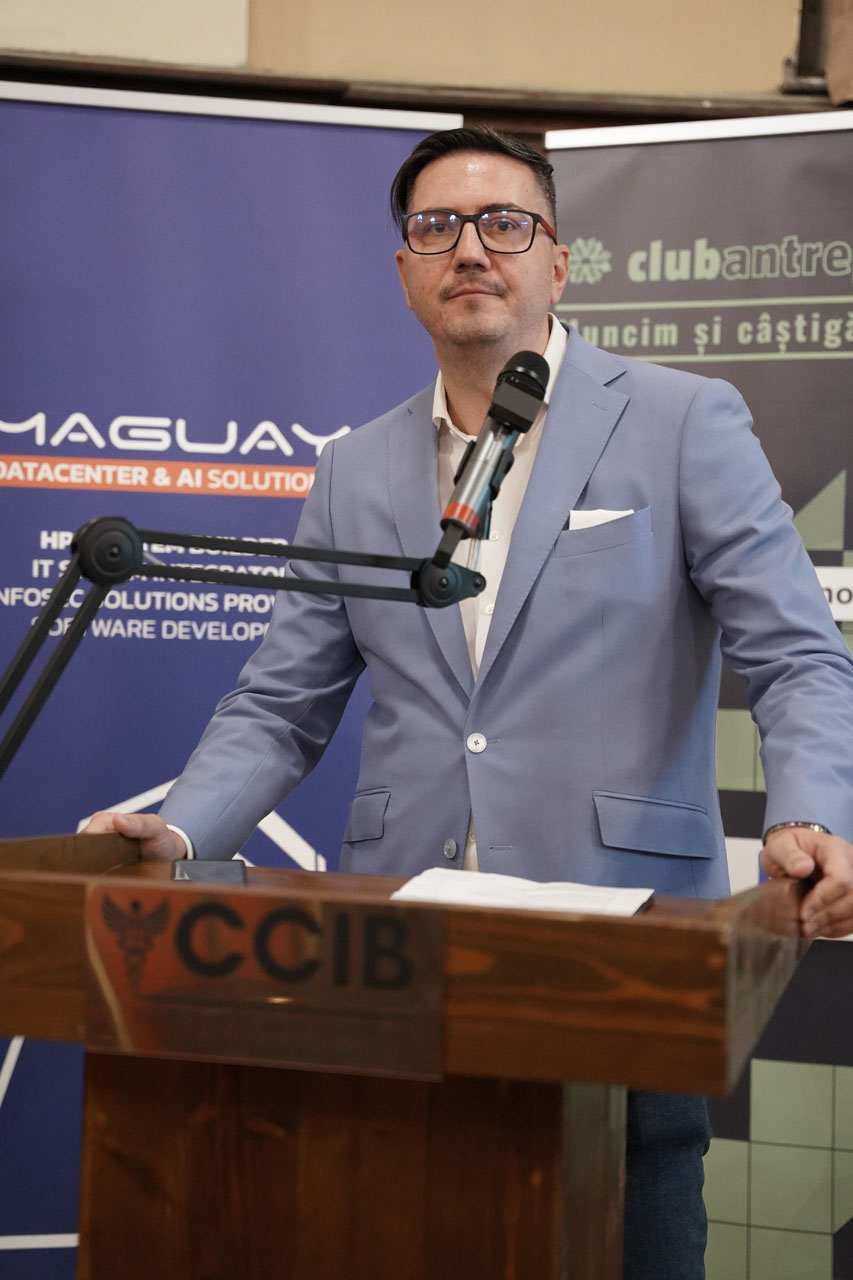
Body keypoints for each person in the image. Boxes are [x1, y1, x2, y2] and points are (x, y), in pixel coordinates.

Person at [86, 126, 853, 1277]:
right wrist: (183, 830)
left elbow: (795, 652)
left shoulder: (682, 419)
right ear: (404, 270)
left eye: (505, 223)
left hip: (623, 946)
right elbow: (281, 701)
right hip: (403, 957)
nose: (471, 249)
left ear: (558, 260)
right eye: (435, 227)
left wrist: (811, 809)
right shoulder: (353, 466)